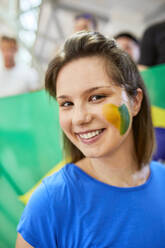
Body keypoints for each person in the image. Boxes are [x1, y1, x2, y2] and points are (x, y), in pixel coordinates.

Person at [16, 31, 165, 247]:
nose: (79, 118)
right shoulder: (51, 201)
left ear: (135, 101)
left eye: (96, 97)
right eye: (67, 103)